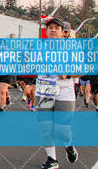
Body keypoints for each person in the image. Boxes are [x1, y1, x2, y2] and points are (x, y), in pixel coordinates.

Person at [36, 18, 78, 169]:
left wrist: (67, 74)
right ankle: (52, 159)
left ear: (62, 32)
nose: (53, 30)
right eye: (50, 28)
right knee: (45, 127)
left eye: (56, 28)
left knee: (62, 130)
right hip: (45, 89)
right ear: (46, 31)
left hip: (64, 91)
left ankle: (68, 145)